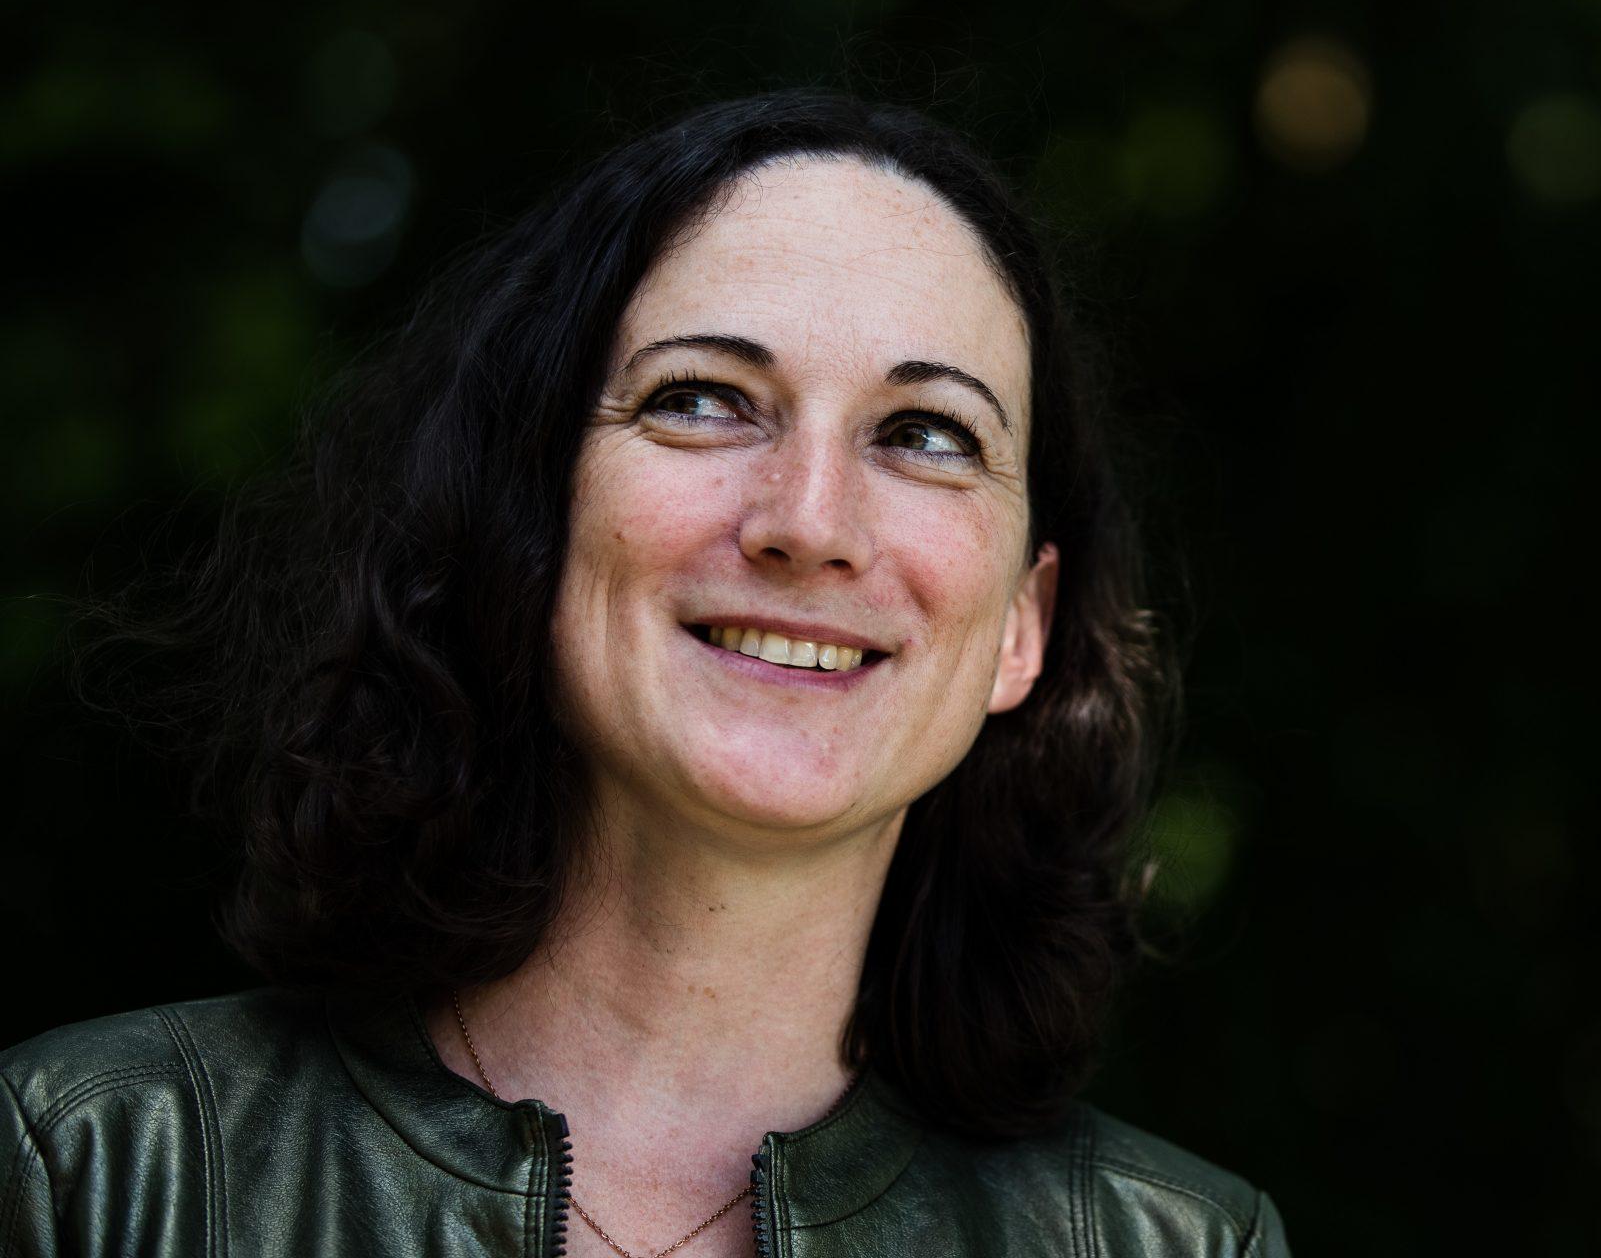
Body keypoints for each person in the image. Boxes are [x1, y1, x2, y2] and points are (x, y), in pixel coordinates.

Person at [1, 90, 1289, 1257]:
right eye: (703, 399)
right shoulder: (94, 1169)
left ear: (1020, 626)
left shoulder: (1179, 1246)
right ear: (529, 515)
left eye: (925, 432)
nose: (810, 521)